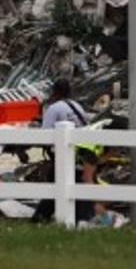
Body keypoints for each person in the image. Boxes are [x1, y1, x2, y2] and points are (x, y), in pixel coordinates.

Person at [34, 78, 105, 223]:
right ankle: (45, 217)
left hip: (64, 154)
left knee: (57, 184)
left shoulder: (54, 108)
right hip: (83, 153)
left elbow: (45, 134)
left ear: (54, 91)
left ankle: (42, 218)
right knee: (66, 184)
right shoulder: (77, 106)